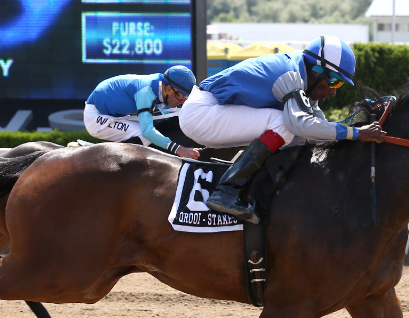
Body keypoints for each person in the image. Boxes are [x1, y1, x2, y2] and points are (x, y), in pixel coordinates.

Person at [179, 35, 387, 224]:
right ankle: (226, 191)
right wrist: (357, 133)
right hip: (202, 113)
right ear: (316, 71)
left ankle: (273, 190)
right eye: (334, 81)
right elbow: (300, 124)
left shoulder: (303, 78)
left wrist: (357, 122)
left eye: (339, 85)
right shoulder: (291, 76)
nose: (333, 92)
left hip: (212, 112)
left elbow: (317, 126)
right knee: (284, 122)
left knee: (295, 131)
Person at [84, 65, 201, 159]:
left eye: (186, 97)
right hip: (96, 118)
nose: (181, 101)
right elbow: (147, 132)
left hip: (115, 113)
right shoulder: (147, 92)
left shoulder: (160, 88)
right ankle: (105, 158)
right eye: (180, 95)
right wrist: (180, 150)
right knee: (144, 134)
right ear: (168, 88)